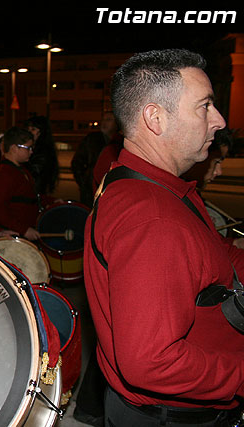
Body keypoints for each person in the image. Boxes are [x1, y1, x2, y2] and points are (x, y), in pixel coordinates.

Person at [85, 48, 244, 426]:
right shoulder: (153, 219)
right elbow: (150, 362)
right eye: (204, 106)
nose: (219, 120)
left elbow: (210, 252)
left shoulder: (151, 185)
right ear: (155, 118)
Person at [0, 127, 42, 241]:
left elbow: (30, 195)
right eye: (28, 148)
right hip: (15, 235)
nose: (31, 151)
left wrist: (51, 201)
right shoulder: (3, 173)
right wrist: (23, 229)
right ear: (14, 148)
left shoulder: (21, 169)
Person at [71, 112, 120, 207]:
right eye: (103, 120)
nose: (104, 123)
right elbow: (77, 163)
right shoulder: (92, 140)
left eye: (109, 120)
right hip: (90, 192)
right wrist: (84, 183)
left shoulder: (121, 142)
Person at [24, 116, 59, 196]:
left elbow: (34, 172)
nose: (29, 132)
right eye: (28, 129)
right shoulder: (34, 147)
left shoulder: (43, 151)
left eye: (33, 129)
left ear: (41, 132)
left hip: (36, 193)